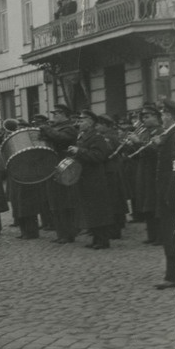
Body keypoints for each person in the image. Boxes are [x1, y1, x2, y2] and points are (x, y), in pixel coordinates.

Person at [67, 110, 114, 249]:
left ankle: (103, 240)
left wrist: (79, 151)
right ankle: (96, 238)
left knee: (98, 210)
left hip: (95, 178)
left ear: (90, 122)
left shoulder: (97, 137)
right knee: (90, 210)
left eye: (81, 121)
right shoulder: (83, 136)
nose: (78, 123)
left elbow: (99, 156)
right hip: (85, 177)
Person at [39, 104, 78, 244]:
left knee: (65, 202)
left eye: (56, 113)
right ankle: (61, 234)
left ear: (64, 115)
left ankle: (68, 234)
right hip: (53, 167)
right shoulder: (54, 128)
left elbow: (61, 139)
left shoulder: (70, 128)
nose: (54, 116)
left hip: (65, 167)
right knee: (55, 203)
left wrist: (46, 129)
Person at [127, 104, 164, 245]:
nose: (144, 120)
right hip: (144, 170)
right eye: (143, 117)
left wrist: (138, 142)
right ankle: (152, 235)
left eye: (147, 117)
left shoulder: (159, 131)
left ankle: (160, 236)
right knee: (147, 204)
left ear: (156, 117)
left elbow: (155, 151)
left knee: (155, 204)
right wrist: (132, 145)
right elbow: (138, 153)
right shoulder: (145, 132)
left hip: (154, 171)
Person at [153, 100, 175, 289]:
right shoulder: (170, 134)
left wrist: (170, 195)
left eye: (163, 114)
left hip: (172, 193)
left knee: (172, 234)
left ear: (170, 115)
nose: (161, 118)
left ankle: (173, 276)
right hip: (169, 191)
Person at [95, 114, 127, 239]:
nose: (96, 127)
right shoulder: (107, 136)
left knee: (113, 201)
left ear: (105, 125)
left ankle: (115, 230)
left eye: (98, 125)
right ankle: (115, 228)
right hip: (111, 171)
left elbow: (106, 153)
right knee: (114, 201)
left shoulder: (108, 137)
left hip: (111, 171)